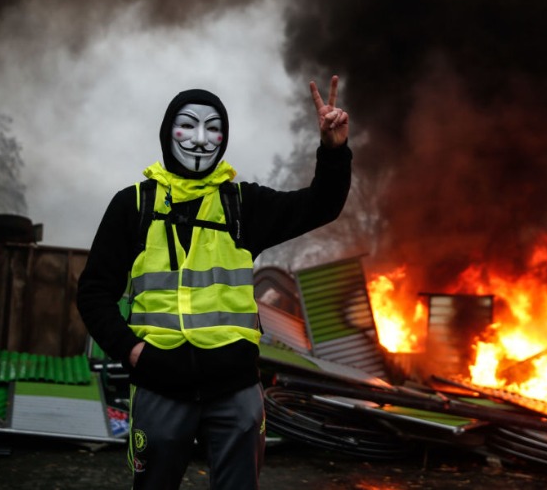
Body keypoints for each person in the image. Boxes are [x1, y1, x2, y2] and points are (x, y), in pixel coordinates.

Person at [76, 77, 350, 489]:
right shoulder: (133, 205)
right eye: (188, 125)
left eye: (213, 127)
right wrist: (133, 353)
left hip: (234, 389)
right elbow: (93, 292)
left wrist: (333, 151)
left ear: (224, 137)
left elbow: (321, 205)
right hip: (160, 385)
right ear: (168, 132)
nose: (201, 139)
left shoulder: (242, 204)